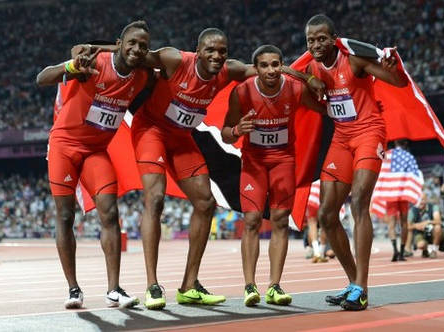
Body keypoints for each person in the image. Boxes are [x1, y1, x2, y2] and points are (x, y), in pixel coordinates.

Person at [78, 28, 326, 310]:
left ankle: (189, 285)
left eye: (222, 51)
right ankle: (153, 285)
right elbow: (134, 54)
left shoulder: (228, 70)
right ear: (198, 50)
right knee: (155, 199)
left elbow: (269, 70)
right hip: (152, 132)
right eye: (210, 50)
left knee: (206, 203)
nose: (216, 55)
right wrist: (88, 50)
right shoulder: (175, 60)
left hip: (183, 137)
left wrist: (308, 78)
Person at [36, 20, 151, 309]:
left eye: (143, 46)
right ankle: (74, 289)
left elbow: (162, 58)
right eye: (132, 43)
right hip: (64, 145)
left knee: (110, 212)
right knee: (65, 217)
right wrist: (71, 68)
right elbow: (42, 77)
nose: (137, 49)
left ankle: (114, 289)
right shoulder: (94, 63)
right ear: (119, 43)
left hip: (95, 151)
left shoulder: (142, 77)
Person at [301, 14, 408, 310]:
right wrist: (310, 80)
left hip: (369, 132)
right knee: (326, 214)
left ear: (334, 38)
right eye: (311, 40)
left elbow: (398, 82)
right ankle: (353, 283)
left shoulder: (355, 62)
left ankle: (362, 286)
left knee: (359, 201)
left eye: (322, 38)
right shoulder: (311, 68)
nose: (316, 44)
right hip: (341, 139)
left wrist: (392, 67)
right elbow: (296, 80)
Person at [221, 45, 327, 307]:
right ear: (255, 69)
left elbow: (325, 108)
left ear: (282, 66)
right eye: (265, 65)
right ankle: (249, 286)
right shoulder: (242, 92)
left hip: (283, 160)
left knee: (280, 220)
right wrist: (237, 130)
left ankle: (274, 285)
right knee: (253, 219)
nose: (271, 70)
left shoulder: (294, 88)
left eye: (275, 64)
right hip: (254, 162)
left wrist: (315, 83)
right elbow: (225, 131)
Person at [385, 140, 419, 262]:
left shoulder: (387, 155)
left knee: (391, 224)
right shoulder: (408, 156)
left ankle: (395, 250)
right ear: (405, 144)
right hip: (403, 193)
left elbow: (381, 171)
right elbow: (415, 174)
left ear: (394, 143)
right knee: (404, 222)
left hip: (390, 193)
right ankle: (402, 251)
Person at [407, 193, 442, 258]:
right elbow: (408, 226)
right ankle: (427, 249)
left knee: (438, 227)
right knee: (420, 245)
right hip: (420, 233)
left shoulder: (434, 207)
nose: (420, 202)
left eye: (422, 200)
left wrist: (427, 222)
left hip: (432, 232)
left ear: (426, 200)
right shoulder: (412, 210)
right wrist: (416, 226)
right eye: (418, 200)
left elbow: (438, 221)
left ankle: (433, 250)